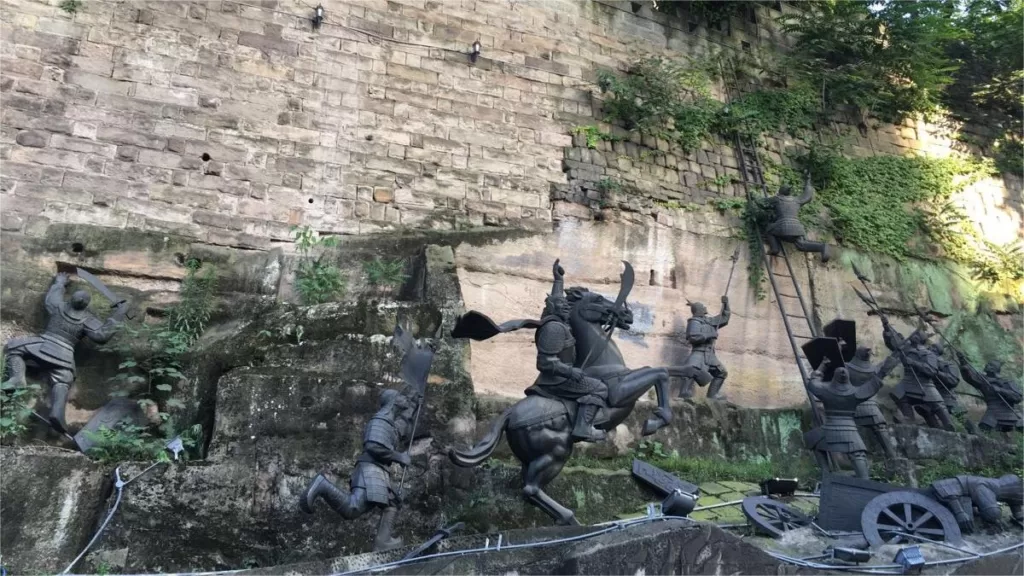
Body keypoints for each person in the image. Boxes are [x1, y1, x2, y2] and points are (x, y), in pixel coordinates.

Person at [3, 272, 127, 433]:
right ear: (86, 306)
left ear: (71, 300)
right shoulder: (87, 320)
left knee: (14, 347)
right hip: (64, 357)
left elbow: (51, 296)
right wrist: (118, 313)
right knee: (63, 380)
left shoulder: (59, 306)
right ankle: (58, 412)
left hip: (43, 345)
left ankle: (17, 378)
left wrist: (60, 282)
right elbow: (102, 335)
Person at [300, 388, 415, 551]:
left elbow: (403, 424)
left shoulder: (390, 424)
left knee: (393, 502)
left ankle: (383, 541)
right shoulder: (379, 421)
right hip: (370, 470)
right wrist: (399, 457)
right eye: (401, 397)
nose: (404, 399)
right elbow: (373, 446)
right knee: (352, 508)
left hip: (377, 471)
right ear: (393, 401)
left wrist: (415, 401)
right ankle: (322, 485)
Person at [524, 260, 609, 442]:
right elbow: (544, 362)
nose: (566, 307)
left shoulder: (560, 323)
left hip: (561, 377)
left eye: (566, 305)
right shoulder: (554, 328)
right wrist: (571, 372)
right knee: (600, 388)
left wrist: (558, 280)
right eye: (561, 306)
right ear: (553, 309)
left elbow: (556, 298)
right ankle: (584, 428)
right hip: (557, 381)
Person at [804, 355, 898, 479]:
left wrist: (823, 365)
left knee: (812, 439)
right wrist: (884, 370)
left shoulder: (825, 390)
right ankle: (864, 482)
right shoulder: (856, 393)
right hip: (850, 432)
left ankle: (825, 475)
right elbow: (873, 384)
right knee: (858, 455)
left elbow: (813, 381)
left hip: (828, 430)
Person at [882, 322, 954, 431]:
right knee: (898, 393)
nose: (913, 336)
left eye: (916, 335)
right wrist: (886, 327)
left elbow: (932, 371)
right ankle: (909, 418)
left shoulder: (932, 356)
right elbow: (894, 342)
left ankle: (956, 424)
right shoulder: (906, 349)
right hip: (908, 381)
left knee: (944, 407)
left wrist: (913, 363)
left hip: (932, 388)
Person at [761, 173, 831, 262]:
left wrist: (753, 196)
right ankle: (822, 246)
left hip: (783, 225)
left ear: (780, 192)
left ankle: (775, 248)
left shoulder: (777, 199)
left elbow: (763, 203)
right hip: (797, 227)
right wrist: (808, 180)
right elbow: (808, 195)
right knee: (801, 245)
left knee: (769, 230)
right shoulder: (797, 200)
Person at [848, 347, 899, 459]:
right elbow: (883, 368)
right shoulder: (873, 370)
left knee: (850, 430)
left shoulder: (846, 368)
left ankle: (890, 455)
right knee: (880, 427)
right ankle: (891, 455)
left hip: (851, 404)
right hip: (867, 405)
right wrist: (893, 358)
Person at [929, 474, 1023, 533]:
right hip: (947, 490)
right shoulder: (983, 486)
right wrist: (959, 512)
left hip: (953, 491)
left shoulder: (986, 484)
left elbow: (1016, 503)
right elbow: (992, 513)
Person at [677, 296, 730, 401]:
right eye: (703, 307)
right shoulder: (694, 322)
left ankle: (712, 395)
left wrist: (726, 304)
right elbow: (693, 337)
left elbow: (724, 318)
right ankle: (684, 392)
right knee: (691, 370)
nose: (705, 308)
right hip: (699, 352)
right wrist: (710, 335)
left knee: (721, 372)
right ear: (699, 310)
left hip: (710, 354)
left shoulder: (709, 321)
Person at [956, 354, 1023, 432]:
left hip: (1009, 410)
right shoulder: (983, 380)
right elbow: (971, 376)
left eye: (990, 365)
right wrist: (963, 361)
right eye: (987, 364)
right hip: (992, 411)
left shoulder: (1007, 382)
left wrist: (1000, 390)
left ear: (994, 369)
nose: (987, 365)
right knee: (984, 428)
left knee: (1021, 425)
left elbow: (1018, 397)